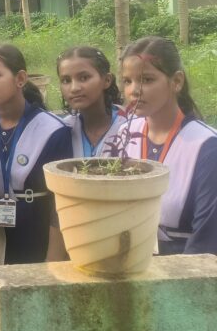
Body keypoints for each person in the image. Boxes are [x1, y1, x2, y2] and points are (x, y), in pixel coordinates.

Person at [0, 45, 71, 265]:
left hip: (37, 230)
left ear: (20, 79)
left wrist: (54, 256)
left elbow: (60, 199)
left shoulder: (52, 130)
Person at [117, 37, 217, 254]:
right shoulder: (125, 134)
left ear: (176, 81)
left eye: (147, 79)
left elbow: (206, 239)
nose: (134, 90)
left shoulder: (206, 146)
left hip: (185, 267)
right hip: (128, 262)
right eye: (127, 81)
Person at [57, 46, 124, 157]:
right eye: (66, 80)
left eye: (84, 78)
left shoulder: (132, 126)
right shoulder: (63, 131)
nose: (74, 88)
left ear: (107, 80)